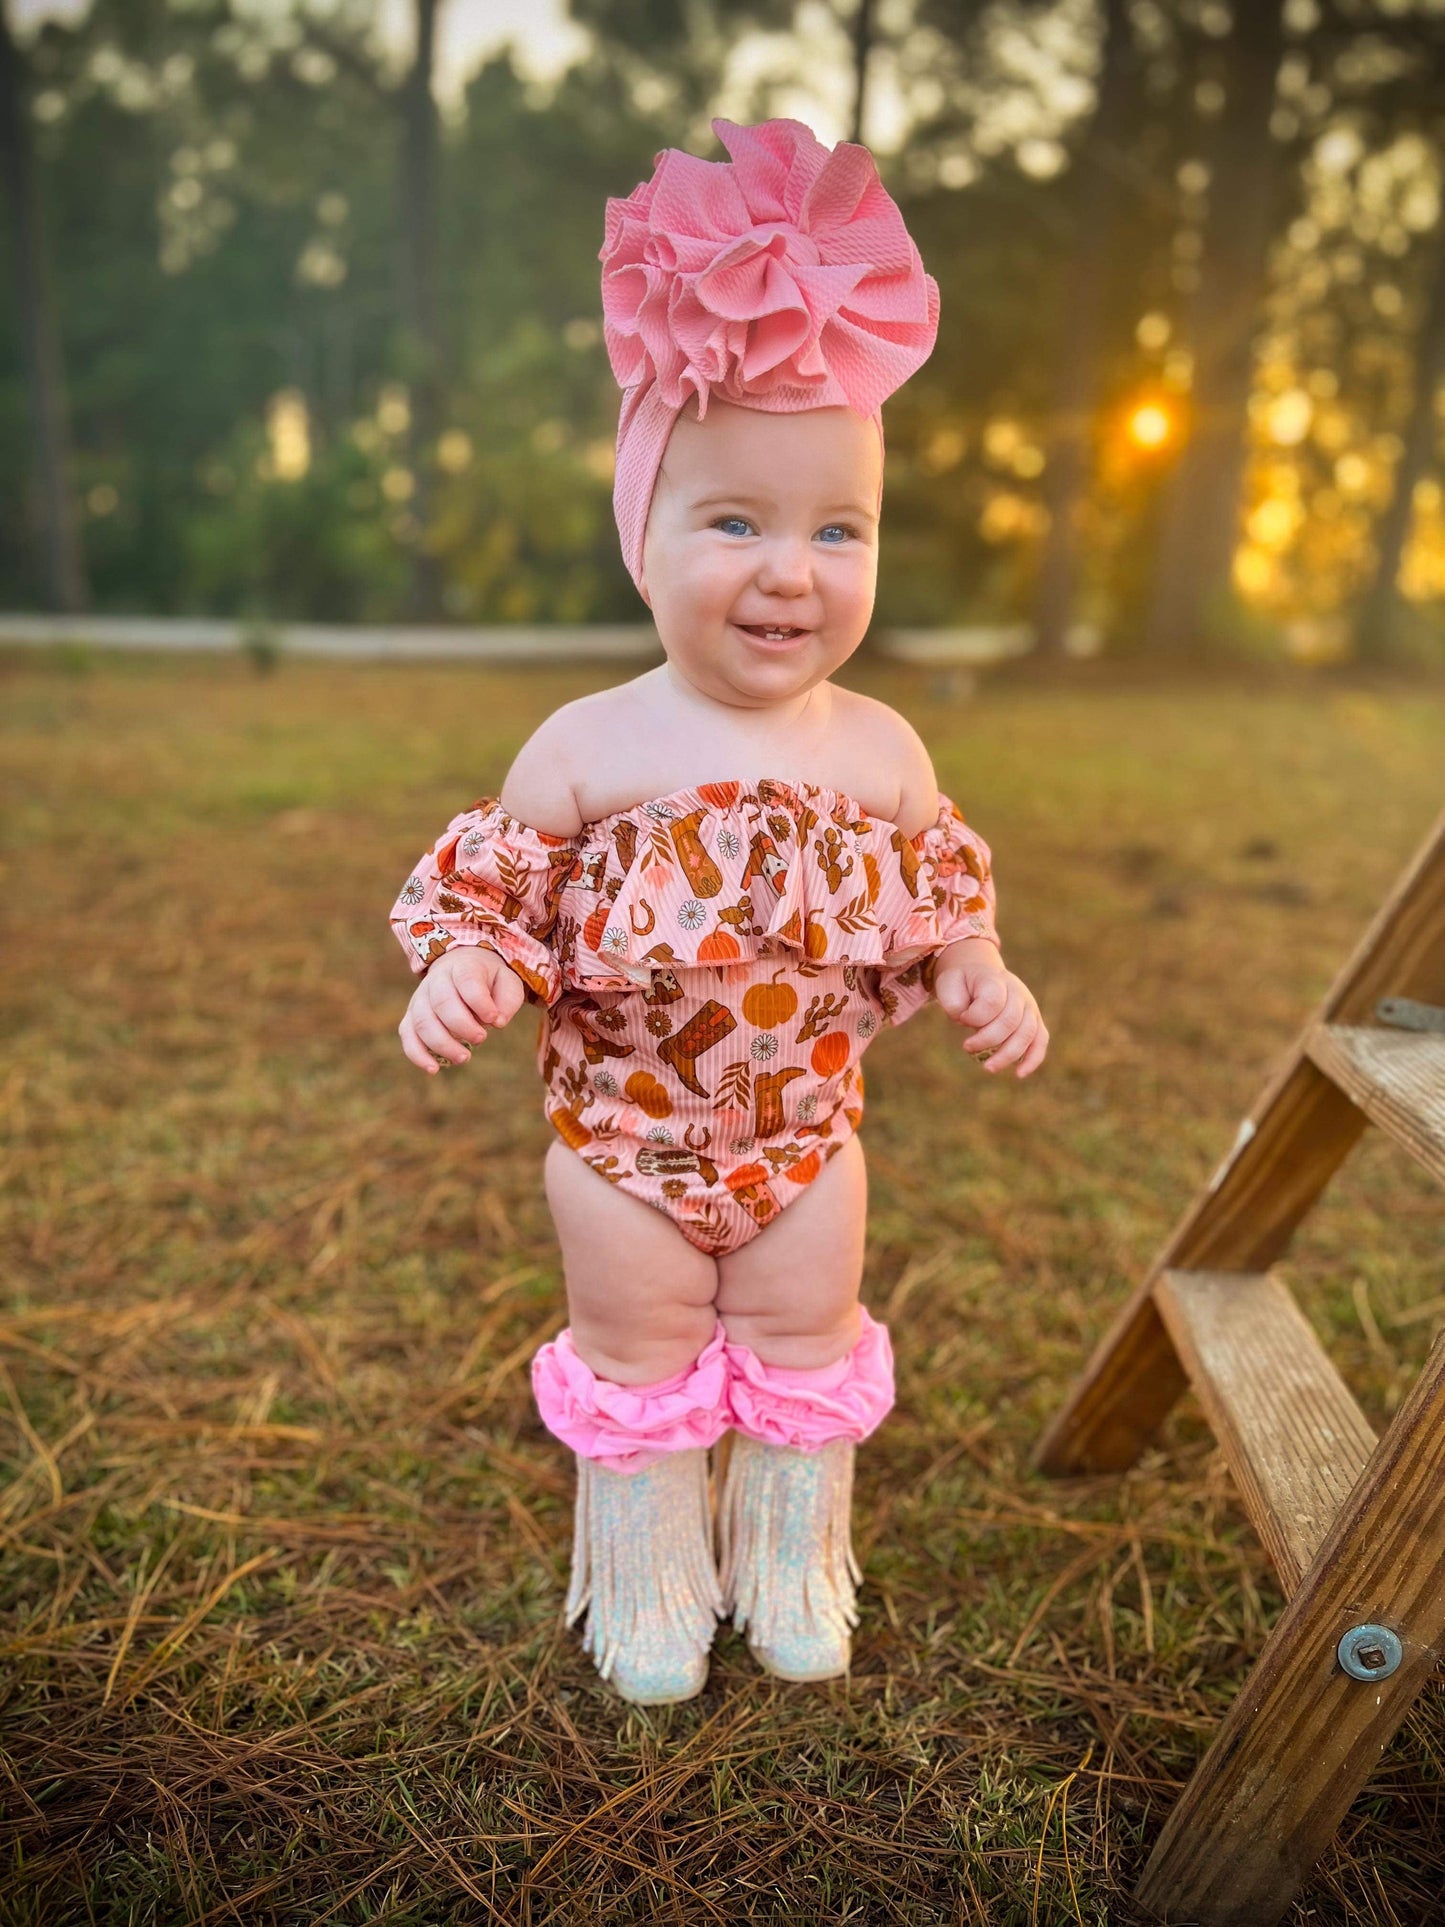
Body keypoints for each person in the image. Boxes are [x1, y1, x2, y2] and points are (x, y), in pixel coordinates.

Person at [388, 118, 1048, 1705]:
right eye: (734, 522)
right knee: (639, 1340)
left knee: (804, 1330)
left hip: (807, 1130)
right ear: (645, 536)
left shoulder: (880, 751)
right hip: (623, 1139)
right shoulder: (593, 745)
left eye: (839, 529)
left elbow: (939, 885)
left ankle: (787, 1555)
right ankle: (647, 1570)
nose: (790, 572)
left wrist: (974, 965)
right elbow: (499, 882)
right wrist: (469, 963)